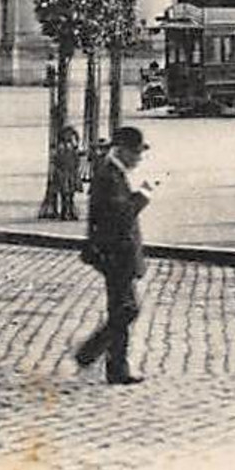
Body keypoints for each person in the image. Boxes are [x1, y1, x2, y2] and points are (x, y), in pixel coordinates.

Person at [75, 126, 156, 386]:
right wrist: (143, 196)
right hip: (115, 253)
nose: (139, 159)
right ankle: (91, 353)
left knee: (122, 309)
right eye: (136, 153)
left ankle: (116, 367)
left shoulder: (112, 173)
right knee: (127, 309)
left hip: (114, 253)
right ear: (122, 151)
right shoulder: (109, 175)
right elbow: (119, 214)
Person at [50, 126, 84, 220]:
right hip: (65, 174)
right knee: (66, 195)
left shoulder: (69, 151)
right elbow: (59, 163)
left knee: (69, 195)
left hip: (70, 174)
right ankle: (66, 212)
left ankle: (69, 212)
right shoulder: (63, 151)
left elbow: (76, 163)